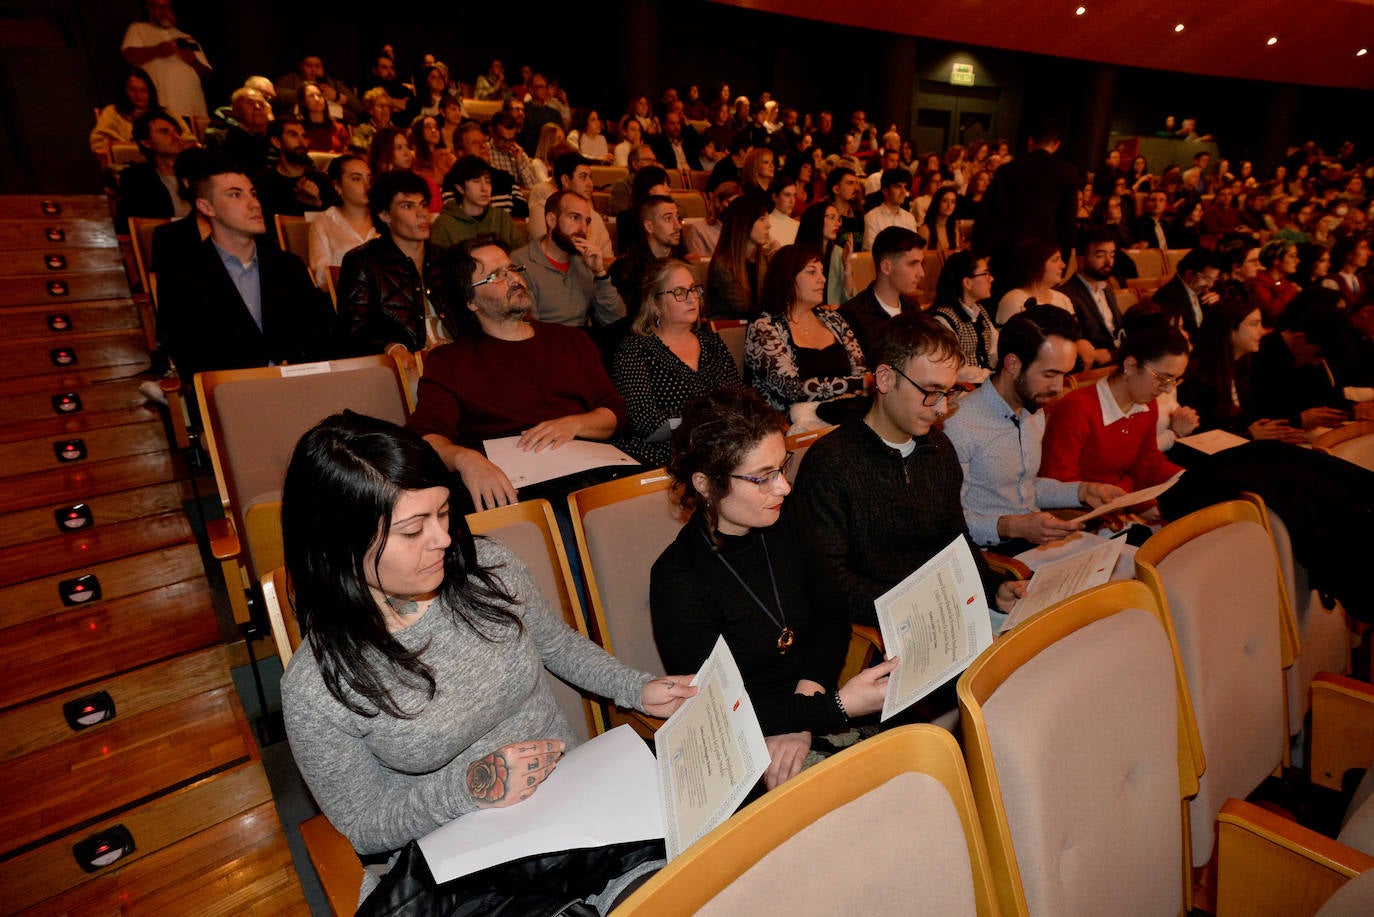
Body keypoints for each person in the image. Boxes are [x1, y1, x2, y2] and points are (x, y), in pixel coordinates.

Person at [279, 411, 694, 907]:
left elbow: (556, 645)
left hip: (580, 808)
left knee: (694, 882)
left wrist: (637, 688)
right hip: (466, 863)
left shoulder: (489, 568)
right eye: (414, 530)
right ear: (337, 547)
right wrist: (469, 787)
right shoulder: (318, 685)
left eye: (443, 513)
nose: (444, 539)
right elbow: (364, 826)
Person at [651, 389, 897, 791]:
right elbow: (715, 707)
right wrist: (828, 708)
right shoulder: (678, 577)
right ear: (706, 484)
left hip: (811, 698)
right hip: (742, 738)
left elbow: (831, 616)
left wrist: (807, 708)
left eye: (782, 468)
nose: (782, 487)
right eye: (762, 477)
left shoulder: (785, 515)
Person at [788, 312, 1028, 629]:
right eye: (931, 391)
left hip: (942, 616)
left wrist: (992, 587)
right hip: (882, 632)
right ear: (886, 379)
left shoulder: (938, 449)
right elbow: (829, 580)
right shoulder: (830, 464)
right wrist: (915, 608)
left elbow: (954, 539)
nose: (942, 408)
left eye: (948, 392)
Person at [408, 235, 628, 511]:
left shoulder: (572, 340)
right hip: (518, 489)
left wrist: (575, 424)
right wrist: (466, 459)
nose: (514, 279)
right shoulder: (450, 361)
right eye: (496, 276)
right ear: (471, 302)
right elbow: (426, 438)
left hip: (590, 475)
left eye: (512, 269)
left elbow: (615, 413)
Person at [944, 307, 1125, 552]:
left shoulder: (1033, 410)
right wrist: (1013, 527)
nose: (1058, 387)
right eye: (1049, 374)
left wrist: (1082, 490)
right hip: (993, 557)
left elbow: (1025, 488)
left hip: (1032, 544)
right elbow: (948, 525)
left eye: (1063, 374)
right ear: (1013, 363)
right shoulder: (960, 424)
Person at [157, 157, 334, 385]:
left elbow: (318, 336)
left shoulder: (288, 266)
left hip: (297, 386)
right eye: (235, 195)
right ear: (206, 206)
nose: (253, 204)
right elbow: (189, 354)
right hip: (228, 394)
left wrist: (296, 369)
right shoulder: (182, 273)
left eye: (253, 194)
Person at [1040, 313, 1189, 494]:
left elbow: (1146, 463)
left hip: (1121, 504)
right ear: (1131, 366)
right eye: (1163, 378)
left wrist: (1186, 480)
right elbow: (1059, 482)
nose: (1167, 389)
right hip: (1084, 512)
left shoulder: (1146, 405)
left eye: (1174, 380)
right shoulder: (1076, 408)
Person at [611, 260, 741, 466]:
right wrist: (708, 418)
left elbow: (738, 401)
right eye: (679, 292)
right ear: (655, 305)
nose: (692, 299)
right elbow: (644, 421)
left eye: (694, 289)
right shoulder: (636, 349)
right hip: (662, 458)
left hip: (719, 451)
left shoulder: (712, 343)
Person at [337, 170, 455, 369]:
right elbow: (353, 330)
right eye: (407, 206)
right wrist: (390, 347)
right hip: (406, 366)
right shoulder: (363, 261)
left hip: (454, 358)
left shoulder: (443, 258)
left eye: (423, 204)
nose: (421, 213)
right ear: (384, 215)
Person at [745, 244, 868, 425]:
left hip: (844, 418)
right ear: (786, 278)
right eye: (812, 272)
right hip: (789, 428)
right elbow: (791, 389)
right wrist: (856, 384)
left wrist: (862, 384)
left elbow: (862, 372)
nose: (823, 279)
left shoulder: (833, 319)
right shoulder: (764, 327)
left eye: (822, 272)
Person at [975, 119, 1079, 292]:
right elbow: (1067, 223)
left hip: (1006, 255)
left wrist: (979, 254)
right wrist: (1064, 261)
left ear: (1030, 142)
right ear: (1057, 144)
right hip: (1044, 257)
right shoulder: (1067, 173)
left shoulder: (1007, 171)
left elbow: (986, 215)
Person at [512, 191, 625, 329]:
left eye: (587, 221)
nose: (583, 229)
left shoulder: (585, 261)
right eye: (575, 217)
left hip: (582, 341)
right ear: (552, 220)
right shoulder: (521, 262)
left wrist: (600, 273)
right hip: (546, 344)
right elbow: (528, 328)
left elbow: (616, 319)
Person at [838, 226, 925, 361]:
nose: (921, 273)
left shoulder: (913, 308)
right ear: (886, 267)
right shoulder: (852, 315)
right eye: (913, 264)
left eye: (921, 264)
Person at [120, 0, 210, 119]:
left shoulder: (187, 37)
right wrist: (158, 50)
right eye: (158, 5)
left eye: (166, 6)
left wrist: (194, 62)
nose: (163, 11)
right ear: (148, 7)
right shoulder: (138, 29)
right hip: (162, 113)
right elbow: (129, 55)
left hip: (194, 111)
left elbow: (207, 74)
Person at [307, 154, 378, 289]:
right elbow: (322, 277)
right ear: (337, 186)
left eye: (370, 179)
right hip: (345, 302)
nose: (367, 186)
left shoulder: (384, 219)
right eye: (357, 179)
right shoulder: (324, 222)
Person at [90, 65, 194, 155]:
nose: (138, 95)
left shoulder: (165, 113)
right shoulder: (113, 112)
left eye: (144, 91)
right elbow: (97, 142)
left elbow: (189, 140)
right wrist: (131, 148)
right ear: (124, 90)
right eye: (133, 90)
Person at [1056, 229, 1125, 365]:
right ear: (1081, 260)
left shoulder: (1107, 288)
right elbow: (1076, 341)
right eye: (1100, 256)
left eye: (1112, 255)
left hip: (1117, 359)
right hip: (1095, 366)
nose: (1108, 262)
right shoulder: (1067, 295)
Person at [929, 250, 997, 384]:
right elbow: (957, 370)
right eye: (985, 274)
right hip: (962, 392)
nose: (991, 279)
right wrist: (992, 376)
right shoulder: (943, 319)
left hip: (985, 384)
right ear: (967, 283)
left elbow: (995, 349)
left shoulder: (980, 311)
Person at [115, 109, 189, 232]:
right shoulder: (136, 179)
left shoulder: (198, 170)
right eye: (165, 132)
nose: (176, 137)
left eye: (176, 131)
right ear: (146, 142)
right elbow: (129, 226)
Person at [429, 154, 522, 252]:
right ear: (460, 188)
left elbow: (520, 253)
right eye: (476, 181)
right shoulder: (443, 224)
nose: (484, 188)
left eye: (487, 181)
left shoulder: (501, 217)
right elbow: (439, 264)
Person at [254, 117, 336, 222]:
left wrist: (317, 204)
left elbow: (338, 225)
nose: (302, 142)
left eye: (303, 136)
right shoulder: (262, 184)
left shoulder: (322, 180)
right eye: (293, 135)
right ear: (277, 142)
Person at [706, 193, 772, 319]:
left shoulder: (763, 258)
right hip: (731, 332)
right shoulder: (722, 265)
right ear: (744, 223)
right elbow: (745, 309)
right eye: (762, 219)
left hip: (758, 328)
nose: (769, 225)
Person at [369, 126, 441, 215]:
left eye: (407, 146)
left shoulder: (426, 185)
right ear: (384, 152)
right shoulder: (370, 186)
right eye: (399, 148)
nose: (407, 153)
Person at [1152, 247, 1221, 339]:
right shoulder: (1167, 296)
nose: (1211, 285)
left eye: (1214, 279)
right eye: (1207, 279)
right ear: (1189, 273)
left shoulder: (1204, 292)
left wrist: (1216, 307)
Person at [1248, 239, 1302, 326]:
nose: (1298, 261)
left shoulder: (1283, 281)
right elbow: (1271, 311)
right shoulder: (1258, 281)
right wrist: (1291, 290)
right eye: (1292, 256)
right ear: (1276, 260)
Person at [861, 168, 916, 251]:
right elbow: (870, 251)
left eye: (905, 187)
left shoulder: (909, 218)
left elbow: (914, 247)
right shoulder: (872, 217)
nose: (903, 192)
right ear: (885, 191)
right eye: (898, 187)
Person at [684, 181, 741, 258]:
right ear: (718, 202)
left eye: (737, 204)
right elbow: (698, 265)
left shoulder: (743, 229)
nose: (733, 208)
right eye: (729, 203)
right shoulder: (699, 230)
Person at [295, 81, 350, 153]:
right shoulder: (299, 129)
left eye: (320, 95)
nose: (317, 99)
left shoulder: (338, 128)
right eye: (311, 96)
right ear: (303, 102)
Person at [918, 185, 963, 254]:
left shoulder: (954, 228)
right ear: (937, 202)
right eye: (944, 201)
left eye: (953, 202)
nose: (949, 205)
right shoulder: (925, 230)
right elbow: (921, 258)